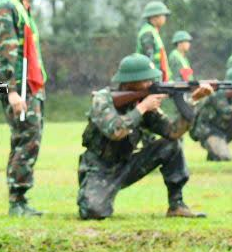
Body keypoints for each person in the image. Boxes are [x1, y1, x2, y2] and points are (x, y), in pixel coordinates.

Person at [76, 54, 213, 220]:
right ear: (129, 82)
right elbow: (116, 131)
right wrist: (142, 107)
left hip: (127, 164)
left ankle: (177, 204)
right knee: (92, 212)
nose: (151, 84)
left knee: (172, 145)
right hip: (99, 168)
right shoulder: (103, 100)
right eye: (146, 80)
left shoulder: (143, 102)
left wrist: (193, 101)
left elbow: (172, 131)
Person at [0, 0, 49, 216]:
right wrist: (10, 91)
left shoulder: (22, 7)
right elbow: (6, 53)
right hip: (17, 87)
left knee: (27, 138)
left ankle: (20, 200)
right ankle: (17, 201)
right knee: (27, 138)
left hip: (30, 86)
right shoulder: (7, 8)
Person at [135, 0, 172, 81]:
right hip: (151, 80)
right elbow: (148, 60)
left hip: (158, 78)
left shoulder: (153, 32)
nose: (164, 18)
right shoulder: (148, 33)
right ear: (154, 17)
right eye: (163, 15)